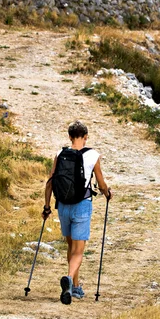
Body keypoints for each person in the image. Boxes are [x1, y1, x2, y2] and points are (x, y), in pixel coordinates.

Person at [42, 121, 112, 305]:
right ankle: (69, 279)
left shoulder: (60, 153)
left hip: (63, 206)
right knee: (79, 252)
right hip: (82, 205)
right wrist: (107, 193)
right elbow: (101, 182)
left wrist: (47, 207)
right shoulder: (93, 155)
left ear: (70, 137)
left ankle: (75, 285)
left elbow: (50, 182)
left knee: (71, 247)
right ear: (86, 136)